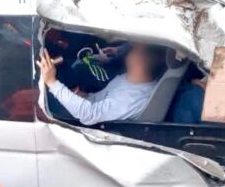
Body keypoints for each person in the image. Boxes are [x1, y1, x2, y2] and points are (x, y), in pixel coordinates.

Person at [39, 43, 167, 125]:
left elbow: (89, 115)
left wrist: (52, 82)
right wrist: (87, 96)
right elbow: (105, 96)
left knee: (43, 102)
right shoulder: (132, 79)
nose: (128, 51)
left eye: (134, 49)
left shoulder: (131, 99)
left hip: (87, 126)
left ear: (141, 60)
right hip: (89, 107)